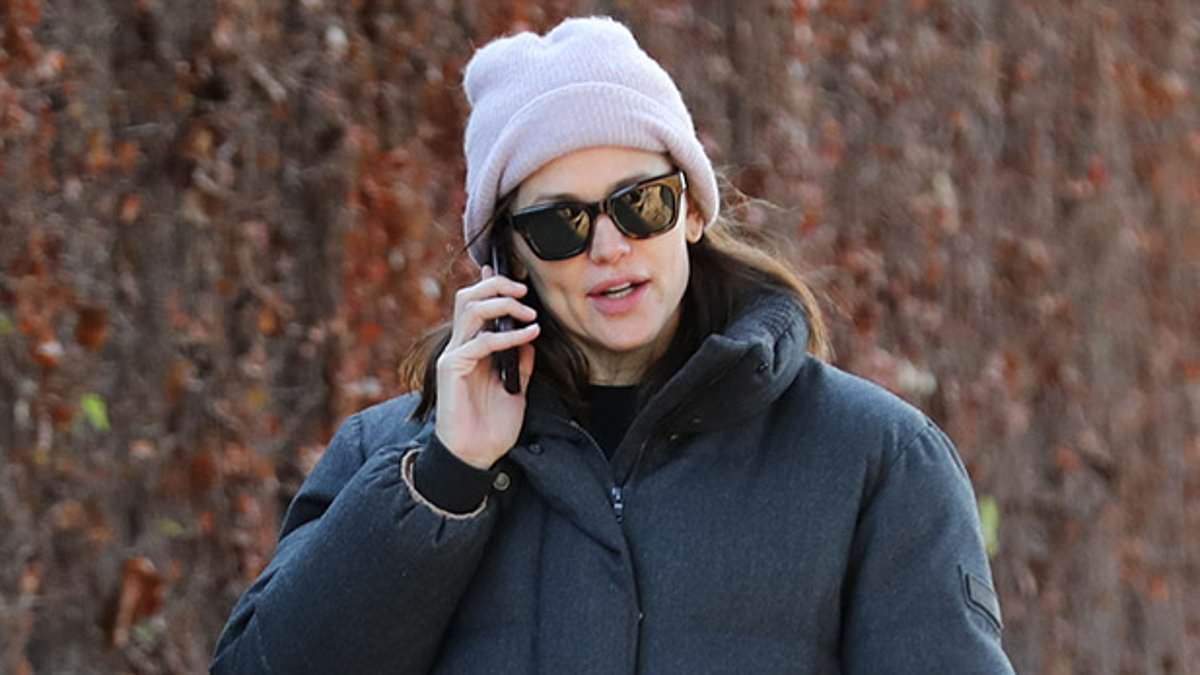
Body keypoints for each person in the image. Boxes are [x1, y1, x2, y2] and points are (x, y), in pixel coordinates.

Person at [211, 16, 1015, 675]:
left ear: (693, 211)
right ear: (507, 255)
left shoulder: (872, 460)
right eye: (559, 222)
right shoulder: (394, 459)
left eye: (641, 203)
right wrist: (449, 477)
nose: (608, 246)